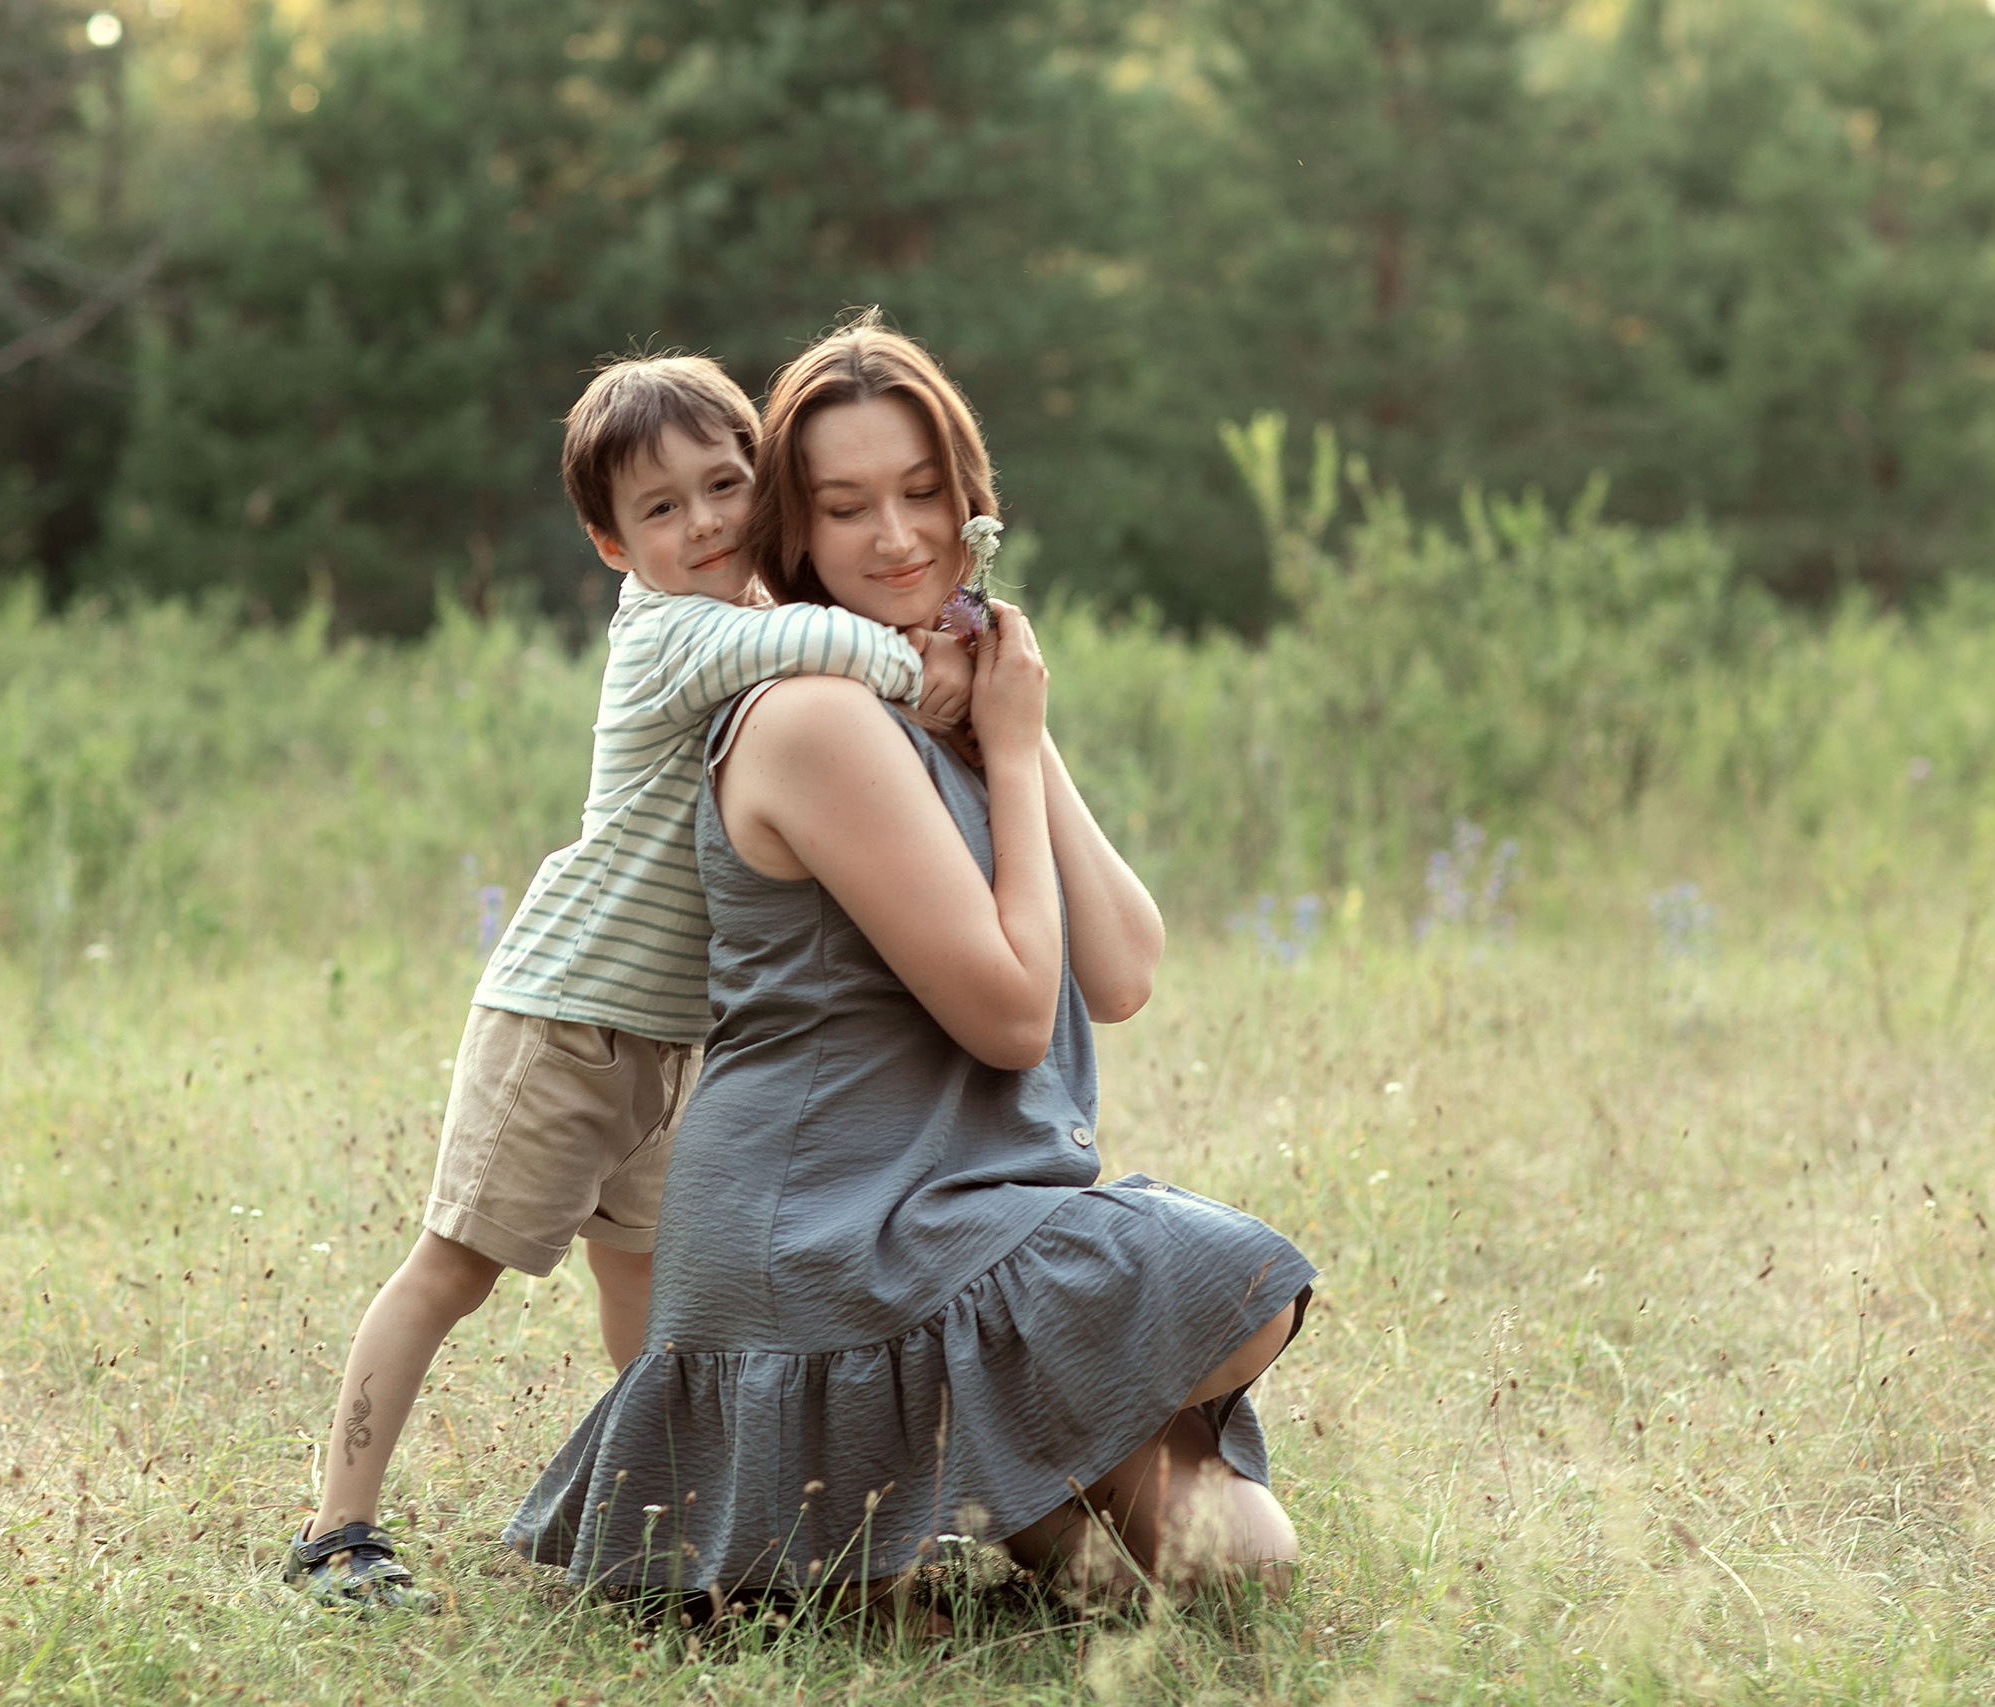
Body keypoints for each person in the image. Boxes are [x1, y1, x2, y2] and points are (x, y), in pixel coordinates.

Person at [508, 317, 1316, 1607]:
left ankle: (1007, 1489)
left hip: (958, 1211)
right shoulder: (816, 717)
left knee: (1244, 1568)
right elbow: (1008, 1018)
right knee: (1238, 1292)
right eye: (846, 507)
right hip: (833, 1239)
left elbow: (1120, 970)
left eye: (922, 494)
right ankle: (960, 1481)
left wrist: (1011, 715)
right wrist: (1002, 748)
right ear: (795, 530)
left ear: (971, 504)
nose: (893, 538)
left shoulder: (928, 687)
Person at [284, 354, 975, 1608]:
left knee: (648, 1287)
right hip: (566, 1016)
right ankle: (337, 1528)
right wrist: (921, 664)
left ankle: (655, 1527)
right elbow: (822, 635)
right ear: (611, 543)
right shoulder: (675, 634)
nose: (705, 521)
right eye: (662, 509)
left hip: (675, 1038)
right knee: (456, 1265)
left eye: (726, 483)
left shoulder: (740, 612)